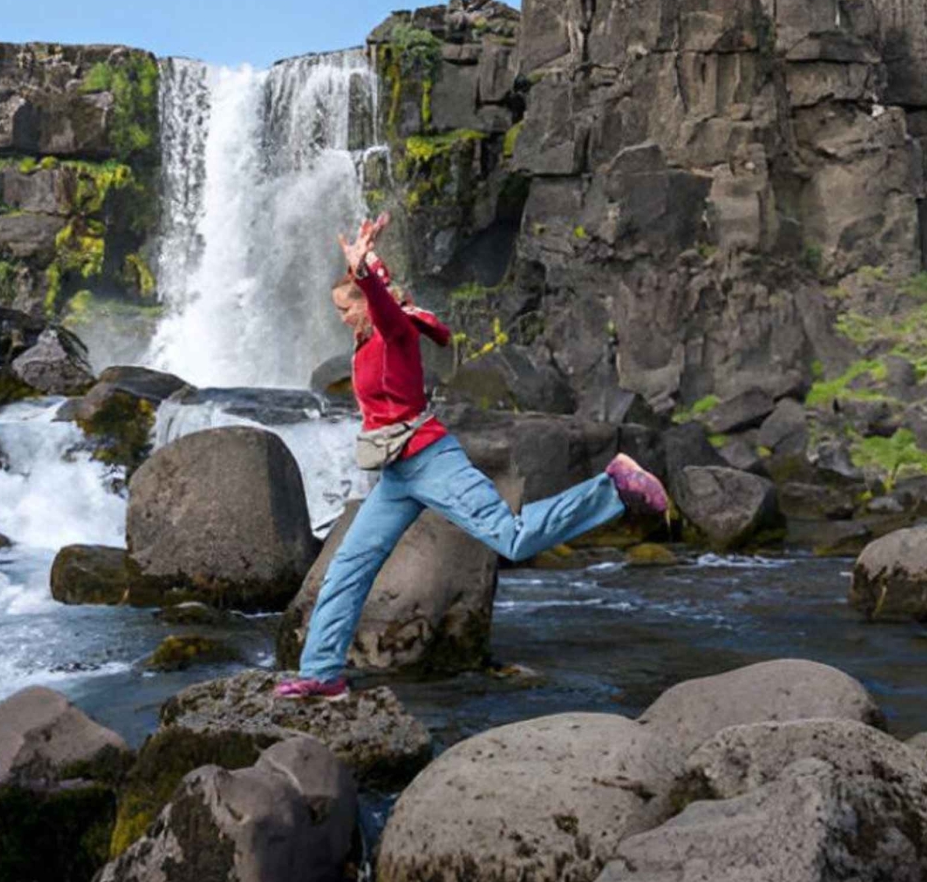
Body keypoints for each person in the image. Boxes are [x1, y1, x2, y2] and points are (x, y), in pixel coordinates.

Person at [275, 213, 669, 701]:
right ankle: (323, 673)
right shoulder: (364, 345)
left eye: (345, 308)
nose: (341, 318)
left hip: (430, 459)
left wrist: (365, 274)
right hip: (397, 474)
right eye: (338, 309)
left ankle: (613, 485)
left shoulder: (394, 336)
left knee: (513, 537)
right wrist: (368, 267)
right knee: (348, 567)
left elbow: (385, 308)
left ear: (366, 303)